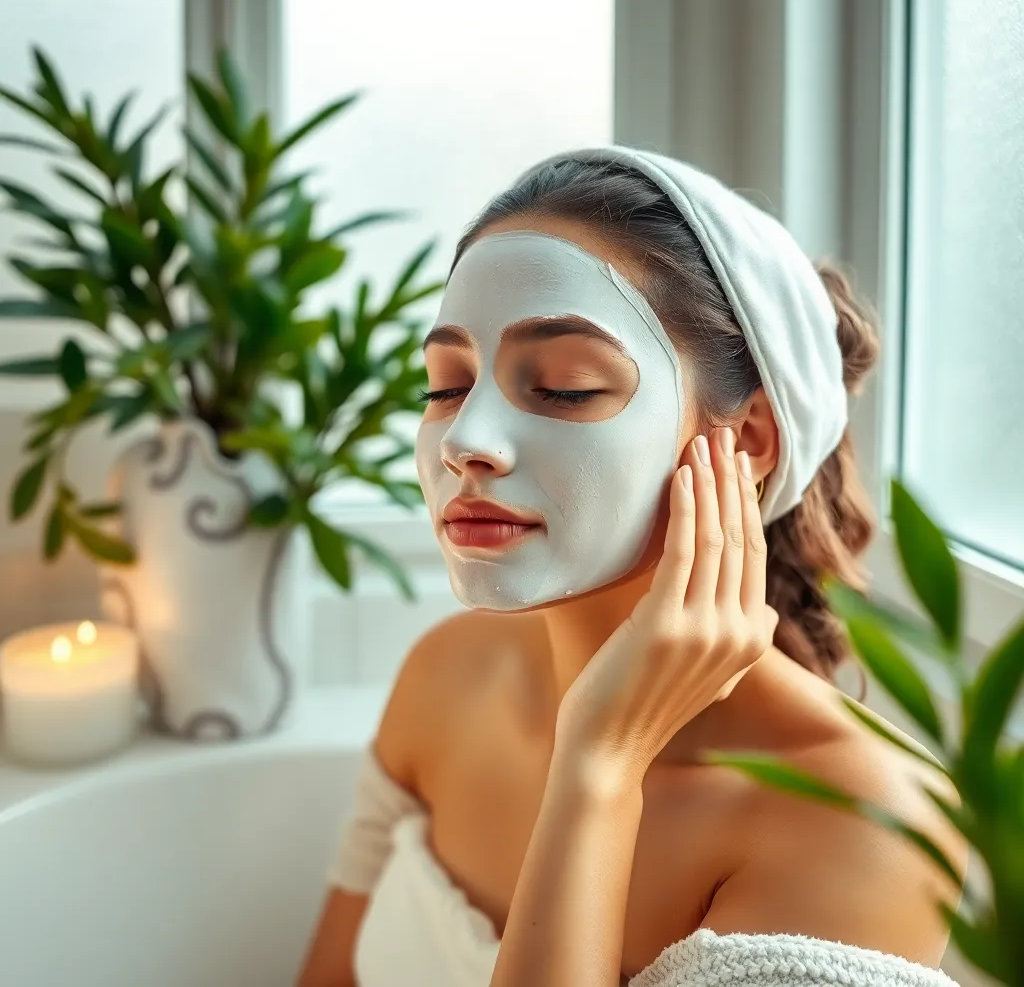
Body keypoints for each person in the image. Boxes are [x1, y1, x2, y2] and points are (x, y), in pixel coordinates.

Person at [297, 147, 966, 987]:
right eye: (447, 386)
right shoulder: (447, 674)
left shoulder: (865, 825)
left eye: (566, 388)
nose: (466, 441)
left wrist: (600, 764)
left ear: (748, 439)